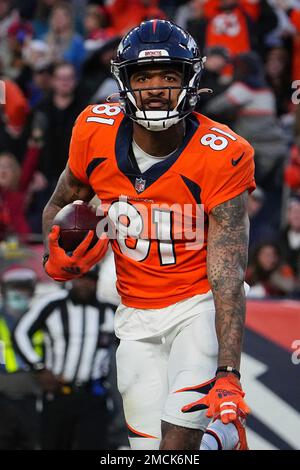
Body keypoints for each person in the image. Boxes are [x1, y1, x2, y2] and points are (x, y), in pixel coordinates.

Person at [42, 20, 255, 450]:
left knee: (174, 449)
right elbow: (59, 204)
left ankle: (214, 436)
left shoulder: (224, 153)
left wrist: (228, 373)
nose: (156, 87)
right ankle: (220, 440)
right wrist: (60, 254)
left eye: (168, 76)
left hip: (197, 307)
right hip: (134, 315)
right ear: (124, 82)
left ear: (189, 81)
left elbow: (229, 270)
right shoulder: (93, 130)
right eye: (143, 77)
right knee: (149, 452)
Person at [13, 265, 116, 450]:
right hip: (58, 393)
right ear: (71, 279)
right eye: (80, 278)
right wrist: (39, 368)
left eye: (90, 279)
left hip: (93, 395)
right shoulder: (52, 304)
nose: (84, 284)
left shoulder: (110, 311)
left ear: (97, 281)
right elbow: (20, 333)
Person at [0, 267, 42, 450]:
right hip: (3, 396)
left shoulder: (40, 319)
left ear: (31, 292)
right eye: (14, 287)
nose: (18, 293)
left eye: (23, 288)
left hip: (33, 395)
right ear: (4, 291)